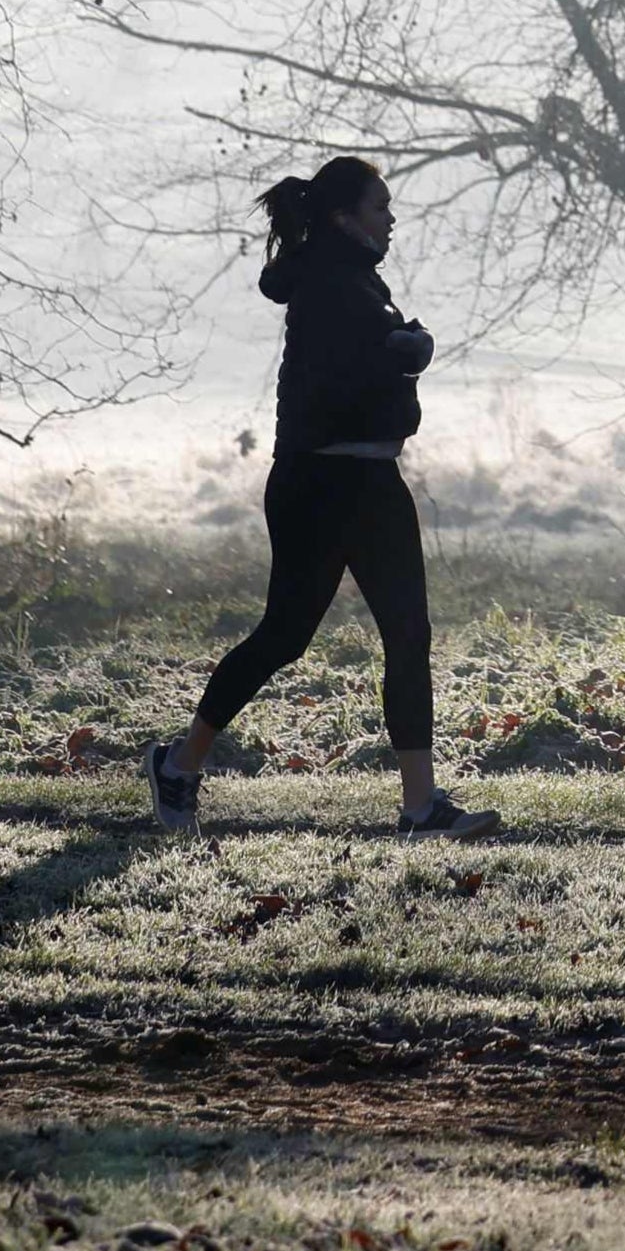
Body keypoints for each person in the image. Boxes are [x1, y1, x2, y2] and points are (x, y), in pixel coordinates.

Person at [150, 156, 500, 839]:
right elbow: (339, 376)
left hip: (371, 480)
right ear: (344, 217)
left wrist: (400, 348)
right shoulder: (329, 283)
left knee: (408, 635)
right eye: (379, 207)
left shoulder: (356, 280)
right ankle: (178, 764)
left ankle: (420, 807)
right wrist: (403, 352)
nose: (391, 218)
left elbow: (360, 363)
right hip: (319, 484)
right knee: (285, 637)